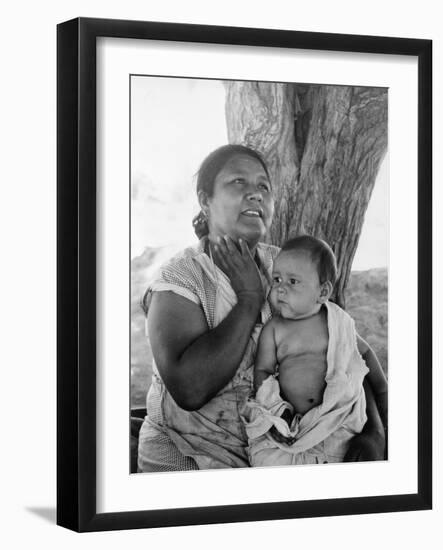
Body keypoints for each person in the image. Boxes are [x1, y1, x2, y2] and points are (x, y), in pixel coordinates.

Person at [137, 144, 386, 472]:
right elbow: (190, 389)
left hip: (286, 452)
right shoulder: (180, 279)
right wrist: (249, 297)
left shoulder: (285, 266)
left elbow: (343, 350)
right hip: (191, 458)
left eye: (263, 186)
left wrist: (374, 431)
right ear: (205, 199)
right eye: (238, 182)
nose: (255, 193)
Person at [243, 236, 388, 466]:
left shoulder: (337, 321)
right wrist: (276, 410)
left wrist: (382, 393)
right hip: (291, 424)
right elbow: (263, 371)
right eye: (277, 279)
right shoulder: (275, 329)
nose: (280, 288)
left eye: (293, 282)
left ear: (322, 292)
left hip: (337, 419)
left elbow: (365, 355)